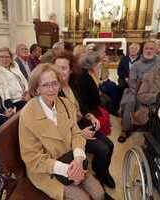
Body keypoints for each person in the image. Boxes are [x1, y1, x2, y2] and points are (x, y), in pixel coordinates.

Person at [19, 63, 105, 200]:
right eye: (45, 85)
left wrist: (78, 159)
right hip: (47, 170)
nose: (52, 89)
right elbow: (32, 158)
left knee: (99, 194)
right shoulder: (28, 114)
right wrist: (67, 170)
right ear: (36, 89)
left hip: (72, 159)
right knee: (82, 198)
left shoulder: (65, 104)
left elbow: (77, 134)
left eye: (55, 83)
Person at [54, 51, 115, 189]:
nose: (59, 72)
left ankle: (102, 173)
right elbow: (57, 127)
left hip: (81, 124)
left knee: (110, 145)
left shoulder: (73, 85)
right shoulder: (53, 91)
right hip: (71, 133)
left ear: (70, 70)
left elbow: (82, 106)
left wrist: (91, 116)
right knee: (103, 149)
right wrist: (81, 133)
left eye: (63, 68)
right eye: (56, 67)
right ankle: (100, 177)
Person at [118, 40, 160, 143]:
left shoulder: (159, 62)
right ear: (143, 50)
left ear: (156, 50)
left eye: (151, 48)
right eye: (147, 48)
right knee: (129, 101)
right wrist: (138, 93)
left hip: (156, 90)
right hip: (136, 90)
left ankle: (155, 131)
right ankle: (125, 129)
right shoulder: (137, 64)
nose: (149, 51)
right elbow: (132, 81)